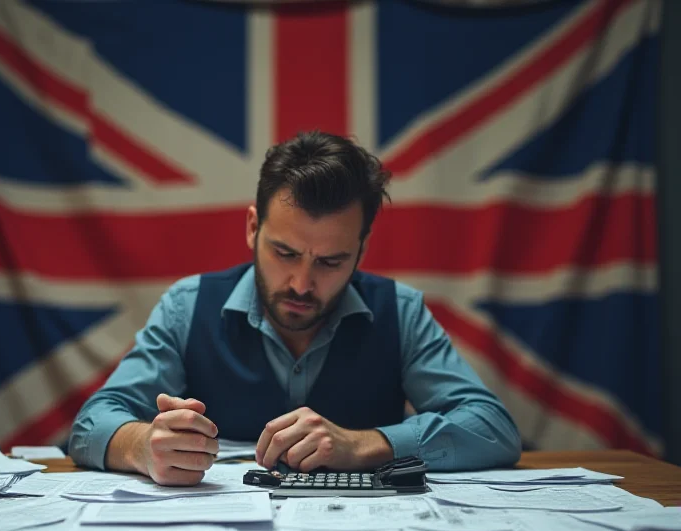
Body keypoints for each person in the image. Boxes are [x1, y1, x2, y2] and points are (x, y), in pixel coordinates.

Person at [69, 130, 521, 485]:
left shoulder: (399, 312)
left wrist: (368, 444)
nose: (302, 284)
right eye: (284, 253)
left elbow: (493, 428)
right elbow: (92, 423)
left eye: (331, 261)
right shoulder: (188, 307)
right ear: (252, 228)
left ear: (361, 251)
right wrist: (143, 445)